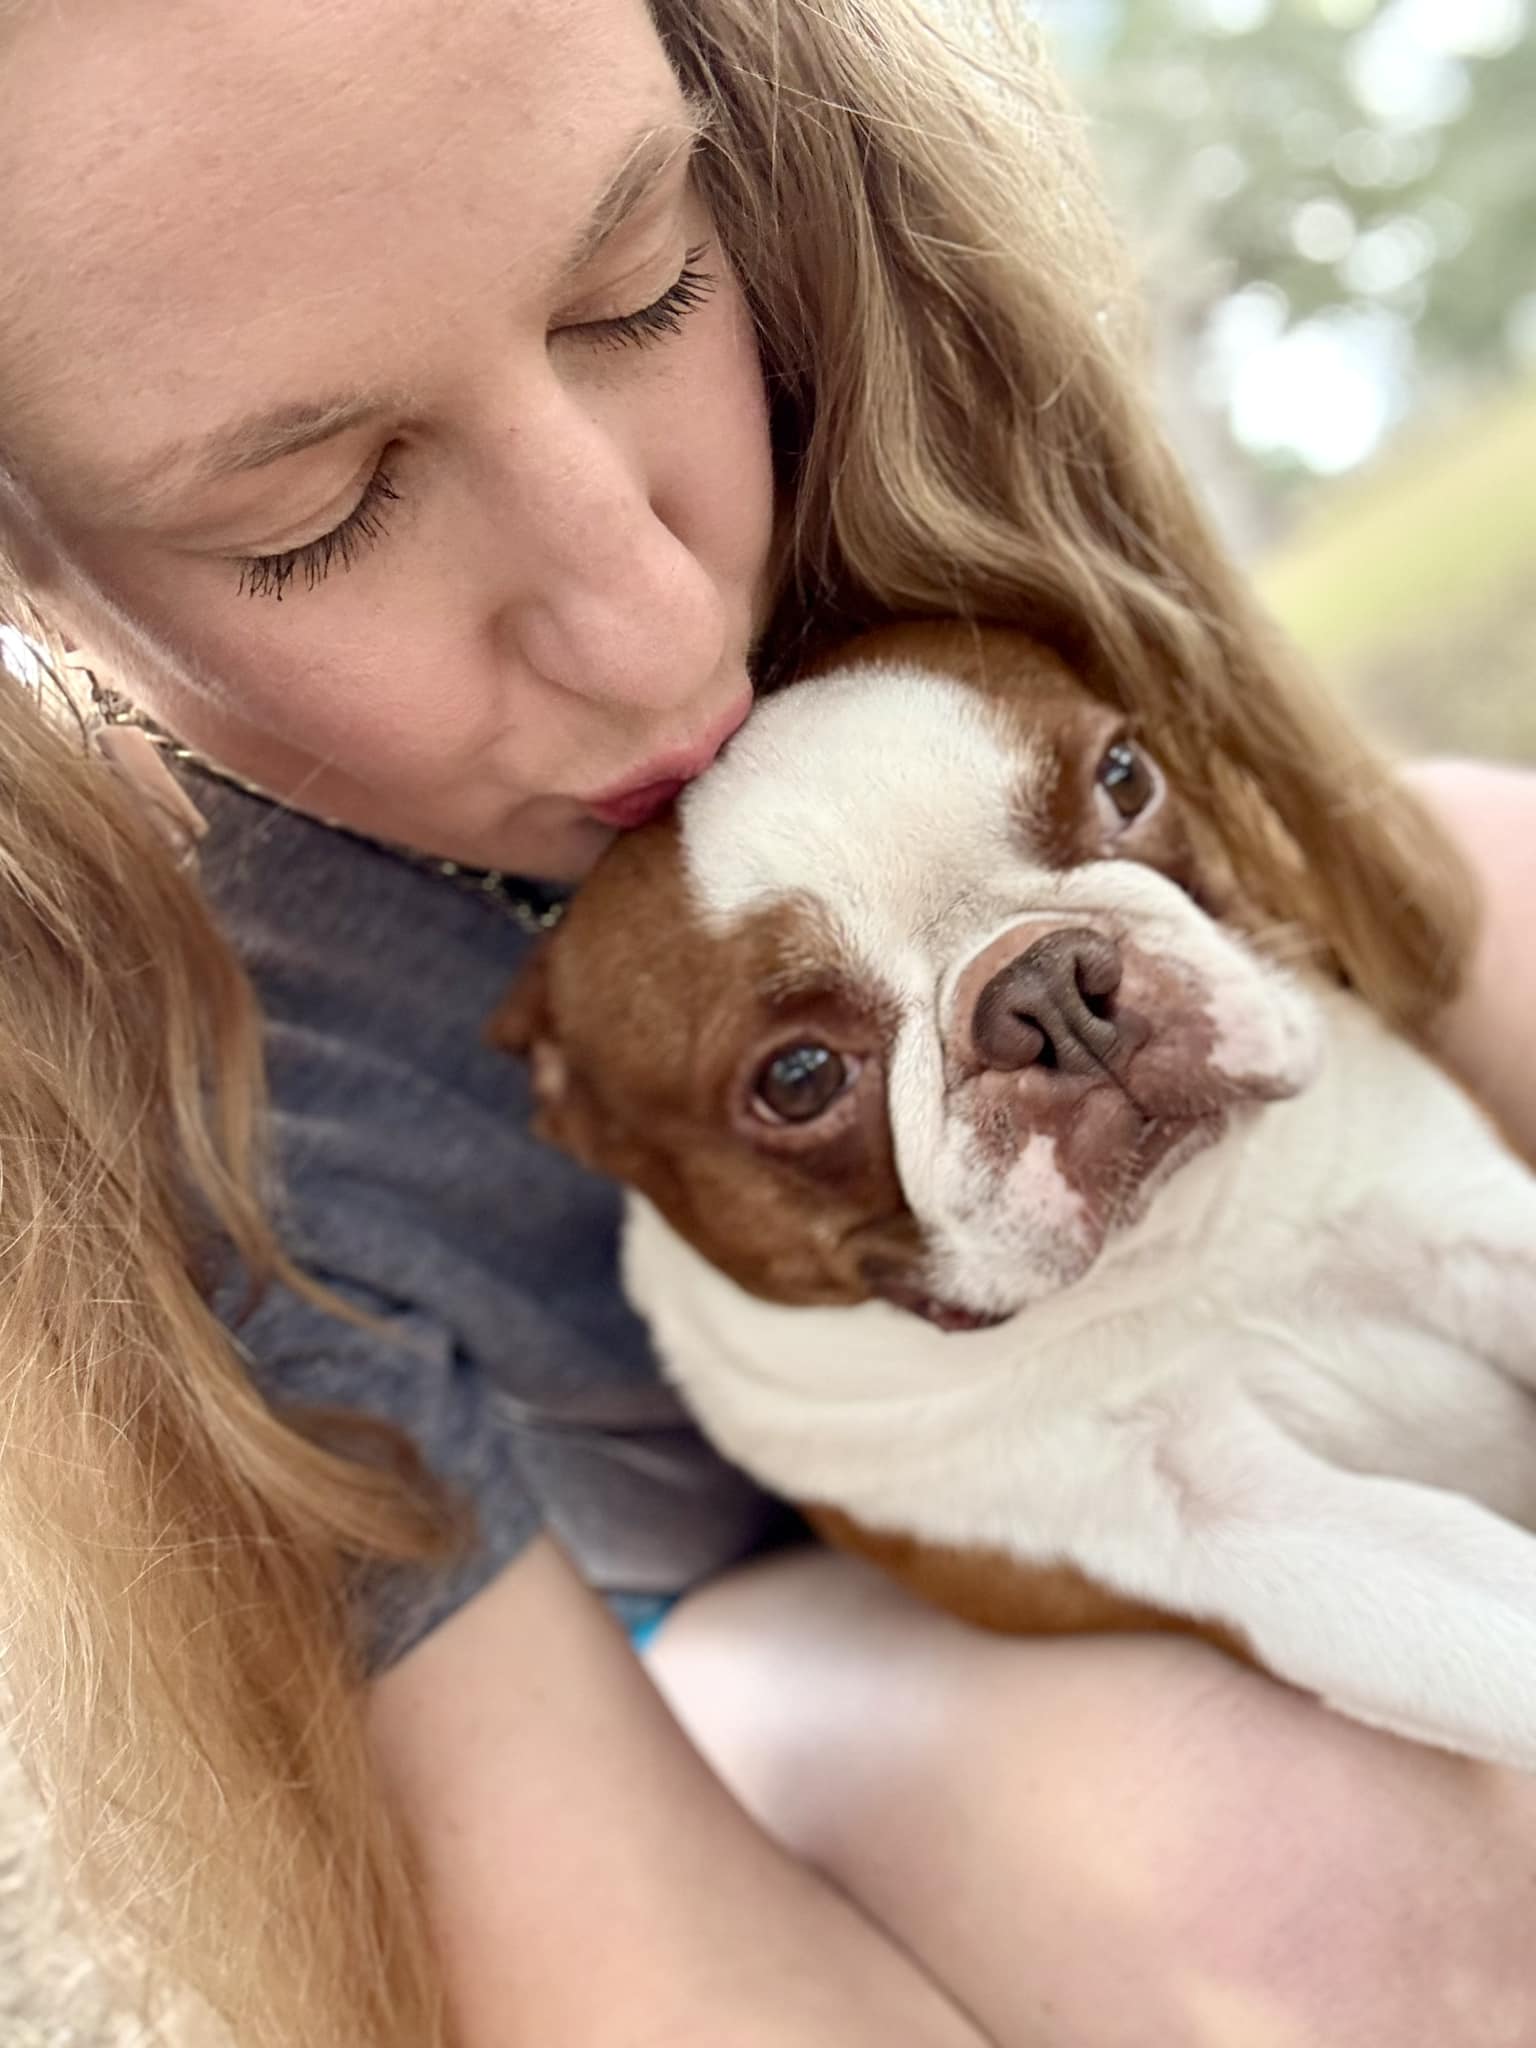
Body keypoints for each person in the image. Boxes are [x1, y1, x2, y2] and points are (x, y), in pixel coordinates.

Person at [1, 2, 1533, 2044]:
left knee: (1483, 867)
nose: (645, 615)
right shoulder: (179, 1087)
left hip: (1281, 1292)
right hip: (716, 1624)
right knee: (1299, 1885)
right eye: (322, 512)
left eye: (642, 289)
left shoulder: (882, 391)